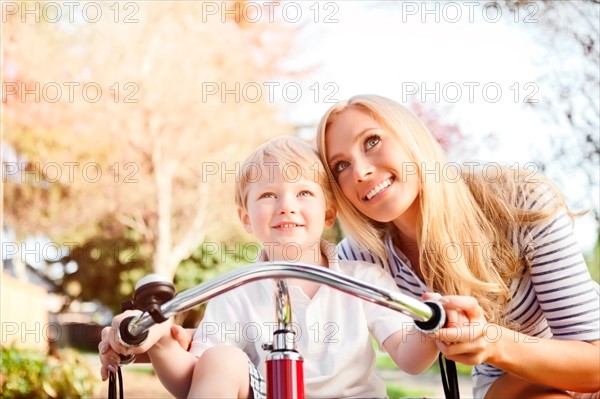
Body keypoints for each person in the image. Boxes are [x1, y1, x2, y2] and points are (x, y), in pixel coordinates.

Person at [99, 136, 441, 398]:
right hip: (270, 391)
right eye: (268, 195)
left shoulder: (363, 279)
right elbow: (193, 380)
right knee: (220, 359)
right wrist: (160, 343)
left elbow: (411, 358)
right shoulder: (233, 291)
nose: (286, 206)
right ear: (246, 218)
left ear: (328, 214)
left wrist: (435, 323)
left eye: (304, 193)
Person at [314, 94, 600, 398]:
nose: (360, 172)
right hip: (511, 388)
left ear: (411, 138)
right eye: (340, 165)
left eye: (371, 142)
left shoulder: (519, 202)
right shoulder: (361, 259)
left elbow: (593, 364)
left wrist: (492, 342)